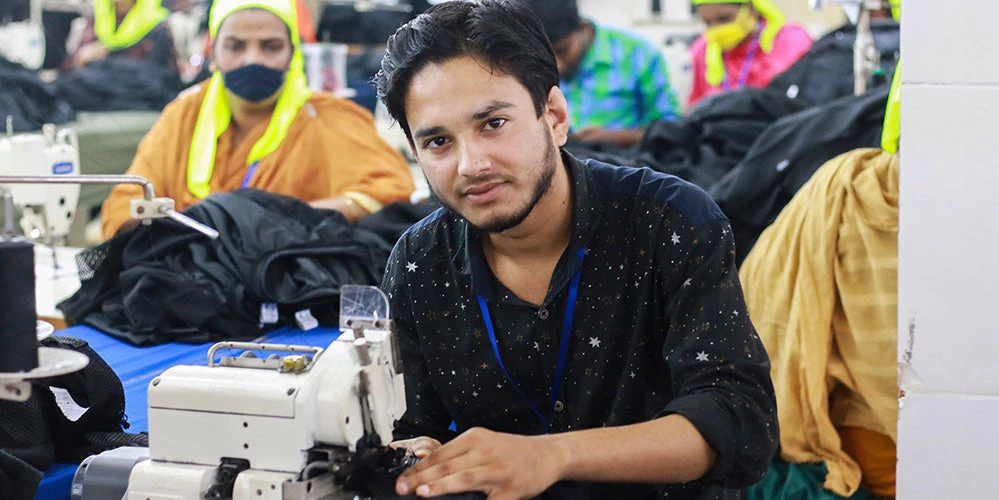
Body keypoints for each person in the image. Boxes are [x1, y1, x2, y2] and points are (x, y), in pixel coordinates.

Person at [374, 1, 777, 498]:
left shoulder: (667, 223)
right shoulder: (419, 264)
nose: (471, 164)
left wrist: (552, 456)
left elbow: (739, 422)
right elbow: (408, 429)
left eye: (493, 123)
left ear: (555, 116)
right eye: (438, 141)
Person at [100, 0, 414, 239]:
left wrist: (267, 218)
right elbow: (122, 206)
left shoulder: (328, 117)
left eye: (271, 46)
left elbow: (390, 194)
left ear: (292, 53)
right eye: (235, 46)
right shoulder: (183, 114)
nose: (252, 59)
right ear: (213, 52)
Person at [520, 0, 680, 148]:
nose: (557, 66)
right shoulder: (527, 62)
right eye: (547, 54)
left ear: (583, 28)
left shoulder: (637, 55)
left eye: (563, 51)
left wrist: (614, 138)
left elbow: (671, 132)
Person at [688, 0, 812, 107]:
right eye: (707, 22)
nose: (715, 28)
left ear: (752, 8)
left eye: (724, 19)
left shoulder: (790, 40)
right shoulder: (703, 49)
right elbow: (696, 105)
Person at [61, 0, 177, 72]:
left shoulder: (156, 24)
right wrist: (81, 57)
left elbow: (161, 73)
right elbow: (68, 66)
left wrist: (107, 59)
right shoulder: (99, 18)